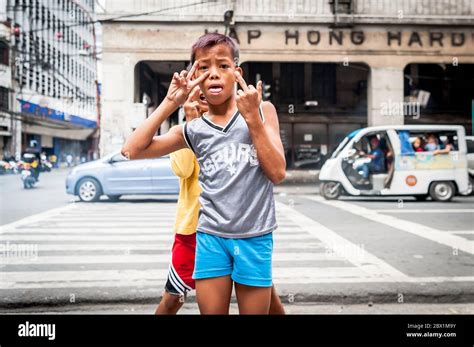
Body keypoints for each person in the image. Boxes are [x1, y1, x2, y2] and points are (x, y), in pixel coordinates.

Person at [122, 33, 286, 314]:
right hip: (210, 237)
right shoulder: (193, 128)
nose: (213, 74)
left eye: (222, 65)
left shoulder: (262, 110)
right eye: (203, 67)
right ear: (193, 74)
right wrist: (170, 103)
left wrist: (252, 121)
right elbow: (132, 150)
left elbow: (277, 172)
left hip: (255, 236)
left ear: (237, 72)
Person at [155, 87, 285, 315]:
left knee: (268, 298)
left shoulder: (240, 123)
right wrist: (192, 122)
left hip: (243, 230)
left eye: (220, 67)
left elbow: (270, 169)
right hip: (196, 230)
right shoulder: (188, 129)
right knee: (174, 298)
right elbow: (184, 169)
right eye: (201, 78)